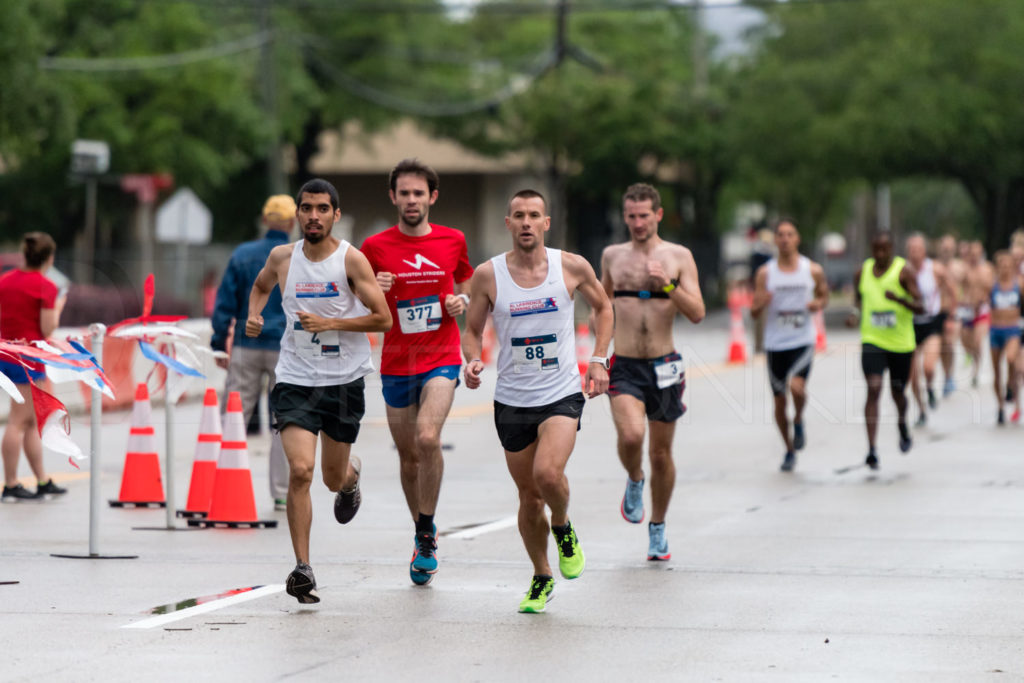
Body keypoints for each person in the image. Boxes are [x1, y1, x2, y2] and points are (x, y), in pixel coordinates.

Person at [461, 189, 613, 614]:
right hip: (512, 399)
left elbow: (603, 308)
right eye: (518, 216)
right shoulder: (488, 276)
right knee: (529, 497)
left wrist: (598, 359)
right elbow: (472, 331)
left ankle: (562, 525)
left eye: (534, 216)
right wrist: (472, 361)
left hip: (560, 392)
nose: (526, 222)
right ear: (507, 224)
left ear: (546, 223)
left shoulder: (571, 266)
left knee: (548, 474)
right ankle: (542, 575)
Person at [246, 178, 392, 604]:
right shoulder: (282, 258)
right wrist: (254, 315)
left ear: (335, 215)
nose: (313, 215)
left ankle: (350, 478)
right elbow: (259, 287)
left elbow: (382, 319)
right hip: (295, 378)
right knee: (301, 471)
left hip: (344, 381)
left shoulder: (352, 261)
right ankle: (303, 568)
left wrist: (333, 324)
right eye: (306, 208)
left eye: (322, 209)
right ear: (298, 213)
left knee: (330, 478)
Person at [359, 159, 474, 585]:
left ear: (432, 197)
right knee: (409, 458)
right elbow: (356, 300)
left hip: (441, 355)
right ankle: (422, 530)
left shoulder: (452, 239)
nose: (411, 200)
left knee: (428, 438)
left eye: (418, 193)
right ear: (393, 197)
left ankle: (426, 533)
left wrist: (460, 302)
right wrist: (376, 290)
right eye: (404, 193)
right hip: (396, 363)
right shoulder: (373, 247)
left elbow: (466, 282)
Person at [598, 183, 705, 560]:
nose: (638, 222)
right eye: (631, 216)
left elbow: (696, 312)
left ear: (658, 215)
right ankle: (634, 478)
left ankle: (657, 526)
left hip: (664, 364)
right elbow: (602, 306)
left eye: (645, 215)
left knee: (661, 454)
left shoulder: (678, 256)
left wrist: (668, 285)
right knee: (630, 437)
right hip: (624, 363)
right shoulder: (612, 256)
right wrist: (598, 357)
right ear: (624, 216)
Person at [210, 195, 295, 511]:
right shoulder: (296, 257)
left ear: (264, 220)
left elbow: (224, 304)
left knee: (233, 417)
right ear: (291, 222)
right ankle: (282, 492)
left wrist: (220, 342)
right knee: (283, 421)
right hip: (285, 349)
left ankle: (223, 482)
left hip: (247, 345)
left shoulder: (242, 255)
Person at [750, 220, 829, 472]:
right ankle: (788, 449)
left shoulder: (812, 269)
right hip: (775, 343)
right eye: (780, 235)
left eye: (789, 234)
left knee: (797, 386)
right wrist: (760, 302)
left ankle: (799, 420)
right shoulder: (765, 273)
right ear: (775, 240)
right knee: (779, 401)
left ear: (797, 239)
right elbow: (753, 312)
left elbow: (824, 295)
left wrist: (818, 303)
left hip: (802, 340)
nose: (784, 239)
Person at [0, 233, 67, 501]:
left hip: (7, 353)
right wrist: (59, 306)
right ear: (49, 258)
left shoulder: (5, 281)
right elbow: (48, 327)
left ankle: (41, 480)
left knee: (29, 421)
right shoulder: (46, 287)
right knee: (18, 421)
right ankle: (12, 484)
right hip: (28, 359)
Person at [849, 231, 923, 470]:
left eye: (885, 249)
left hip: (900, 344)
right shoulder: (862, 272)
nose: (880, 254)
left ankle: (902, 422)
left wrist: (899, 300)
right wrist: (855, 314)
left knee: (898, 393)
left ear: (892, 248)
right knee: (873, 388)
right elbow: (859, 300)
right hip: (872, 339)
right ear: (872, 249)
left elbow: (921, 306)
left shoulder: (904, 272)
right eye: (876, 249)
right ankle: (872, 449)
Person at [905, 233, 955, 426]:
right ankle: (921, 409)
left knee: (928, 367)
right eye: (911, 250)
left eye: (918, 249)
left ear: (924, 251)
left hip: (932, 322)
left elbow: (952, 290)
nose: (915, 253)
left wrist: (951, 315)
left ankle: (931, 388)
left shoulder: (935, 269)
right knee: (912, 376)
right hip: (910, 325)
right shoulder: (904, 271)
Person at [985, 250, 1022, 425]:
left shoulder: (1019, 284)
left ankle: (1010, 385)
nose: (1005, 268)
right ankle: (1000, 407)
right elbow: (983, 303)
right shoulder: (992, 286)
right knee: (996, 372)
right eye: (1002, 265)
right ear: (997, 267)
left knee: (1011, 358)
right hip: (995, 331)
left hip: (1012, 330)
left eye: (1008, 265)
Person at [957, 241, 993, 388]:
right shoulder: (965, 269)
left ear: (981, 254)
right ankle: (971, 355)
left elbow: (992, 289)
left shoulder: (987, 269)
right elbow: (958, 285)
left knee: (978, 341)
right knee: (965, 340)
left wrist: (985, 301)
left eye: (977, 254)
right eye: (972, 254)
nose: (974, 257)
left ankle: (976, 371)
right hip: (967, 311)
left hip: (982, 311)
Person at [935, 235, 963, 396]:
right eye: (944, 248)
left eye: (949, 248)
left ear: (954, 249)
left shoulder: (959, 267)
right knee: (941, 347)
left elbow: (970, 285)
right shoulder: (934, 266)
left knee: (949, 343)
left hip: (954, 311)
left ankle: (949, 375)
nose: (946, 251)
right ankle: (946, 374)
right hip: (938, 311)